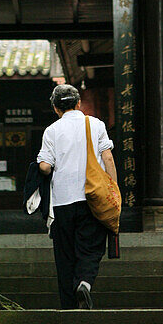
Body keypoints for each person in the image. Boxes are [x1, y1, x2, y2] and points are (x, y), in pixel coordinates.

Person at [37, 84, 117, 310]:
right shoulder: (96, 124)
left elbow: (44, 167)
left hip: (62, 202)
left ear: (55, 108)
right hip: (92, 197)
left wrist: (40, 168)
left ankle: (68, 307)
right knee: (91, 247)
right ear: (78, 103)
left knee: (64, 255)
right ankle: (84, 282)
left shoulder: (51, 131)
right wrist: (114, 189)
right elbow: (108, 158)